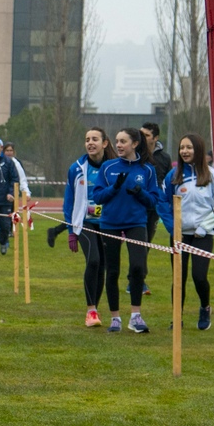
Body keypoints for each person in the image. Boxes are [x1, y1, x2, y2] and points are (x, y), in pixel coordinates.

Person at [91, 128, 160, 334]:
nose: (119, 145)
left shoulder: (147, 170)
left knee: (138, 267)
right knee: (112, 271)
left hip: (136, 223)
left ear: (135, 144)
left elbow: (153, 201)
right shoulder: (107, 167)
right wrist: (114, 188)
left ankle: (135, 317)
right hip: (110, 224)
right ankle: (115, 318)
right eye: (117, 141)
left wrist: (140, 193)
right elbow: (98, 197)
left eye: (123, 141)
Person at [160, 132, 214, 331]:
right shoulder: (173, 175)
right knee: (179, 278)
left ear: (198, 149)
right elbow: (163, 203)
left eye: (189, 147)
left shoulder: (212, 175)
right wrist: (173, 228)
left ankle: (205, 307)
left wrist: (205, 227)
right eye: (182, 148)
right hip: (179, 235)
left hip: (203, 234)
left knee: (199, 276)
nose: (184, 151)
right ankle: (177, 318)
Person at [60, 127, 111, 326]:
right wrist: (71, 231)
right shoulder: (77, 168)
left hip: (107, 224)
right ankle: (90, 310)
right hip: (85, 222)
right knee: (93, 261)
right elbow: (69, 201)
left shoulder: (113, 167)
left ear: (104, 143)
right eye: (87, 139)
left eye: (95, 139)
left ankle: (95, 309)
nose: (90, 143)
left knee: (103, 265)